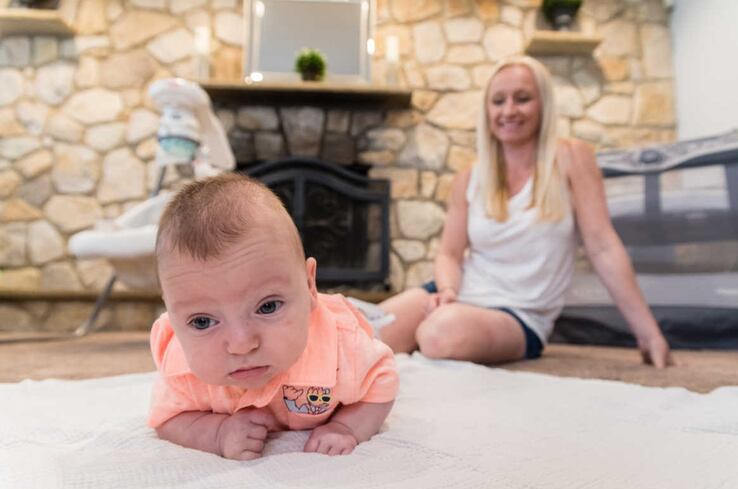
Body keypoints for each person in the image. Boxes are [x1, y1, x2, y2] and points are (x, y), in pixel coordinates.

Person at [379, 55, 673, 368]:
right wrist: (448, 289)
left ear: (543, 104)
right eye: (498, 101)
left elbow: (603, 247)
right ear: (487, 110)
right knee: (360, 332)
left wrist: (649, 334)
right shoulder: (470, 177)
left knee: (437, 335)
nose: (509, 111)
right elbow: (449, 254)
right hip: (457, 293)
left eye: (522, 99)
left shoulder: (572, 158)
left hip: (520, 315)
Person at [147, 173, 399, 460]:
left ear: (308, 285)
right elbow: (166, 419)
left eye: (267, 307)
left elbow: (382, 380)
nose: (241, 344)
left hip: (349, 317)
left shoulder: (344, 349)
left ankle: (415, 305)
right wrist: (217, 433)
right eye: (202, 321)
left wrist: (347, 426)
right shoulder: (183, 368)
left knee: (387, 326)